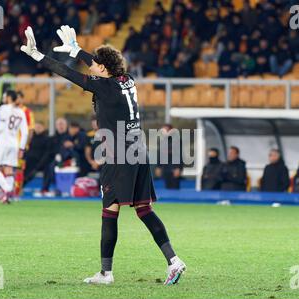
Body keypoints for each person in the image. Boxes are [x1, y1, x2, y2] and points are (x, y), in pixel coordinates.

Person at [21, 25, 185, 285]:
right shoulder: (127, 79)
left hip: (119, 154)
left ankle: (106, 274)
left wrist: (38, 56)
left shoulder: (105, 87)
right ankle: (174, 261)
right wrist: (77, 50)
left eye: (95, 64)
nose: (91, 66)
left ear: (104, 69)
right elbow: (98, 65)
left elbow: (69, 74)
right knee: (144, 209)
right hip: (137, 152)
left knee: (109, 211)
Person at [0, 90, 28, 203]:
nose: (3, 98)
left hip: (2, 142)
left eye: (4, 96)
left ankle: (7, 189)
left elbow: (1, 126)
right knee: (8, 169)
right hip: (14, 144)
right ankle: (7, 196)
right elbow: (25, 132)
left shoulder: (4, 108)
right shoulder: (21, 112)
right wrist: (21, 148)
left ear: (9, 97)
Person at [14, 91, 35, 196]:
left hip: (20, 146)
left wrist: (25, 146)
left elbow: (30, 130)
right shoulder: (10, 110)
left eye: (18, 98)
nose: (17, 100)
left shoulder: (27, 112)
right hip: (10, 145)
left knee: (19, 169)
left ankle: (18, 191)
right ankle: (8, 189)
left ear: (22, 99)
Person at [41, 117, 69, 194]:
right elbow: (49, 152)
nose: (61, 126)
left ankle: (57, 188)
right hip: (54, 160)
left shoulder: (69, 137)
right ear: (56, 126)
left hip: (67, 160)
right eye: (59, 124)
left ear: (66, 125)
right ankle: (45, 188)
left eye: (62, 124)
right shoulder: (52, 138)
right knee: (47, 165)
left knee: (52, 166)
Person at [155, 124, 182, 190]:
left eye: (166, 130)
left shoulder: (177, 141)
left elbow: (180, 155)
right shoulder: (162, 141)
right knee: (167, 188)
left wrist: (178, 168)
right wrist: (158, 167)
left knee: (175, 188)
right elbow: (160, 155)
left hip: (174, 168)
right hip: (165, 168)